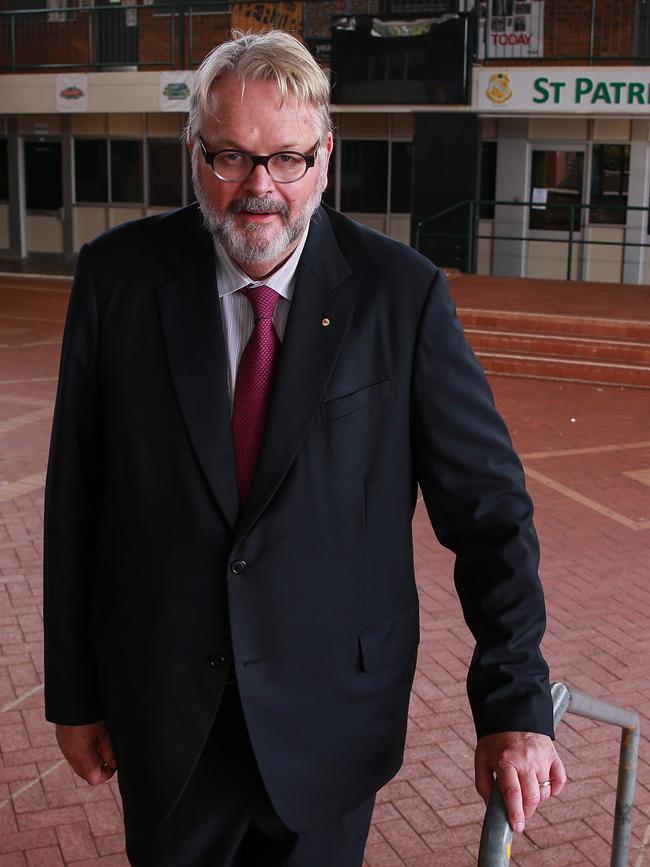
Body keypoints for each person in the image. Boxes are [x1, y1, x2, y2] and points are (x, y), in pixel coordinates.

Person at [44, 29, 565, 867]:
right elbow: (76, 503)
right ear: (193, 153)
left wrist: (515, 705)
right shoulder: (118, 279)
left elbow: (490, 513)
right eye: (230, 158)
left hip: (334, 719)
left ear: (325, 157)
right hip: (167, 715)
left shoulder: (402, 295)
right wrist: (73, 694)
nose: (260, 188)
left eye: (286, 158)